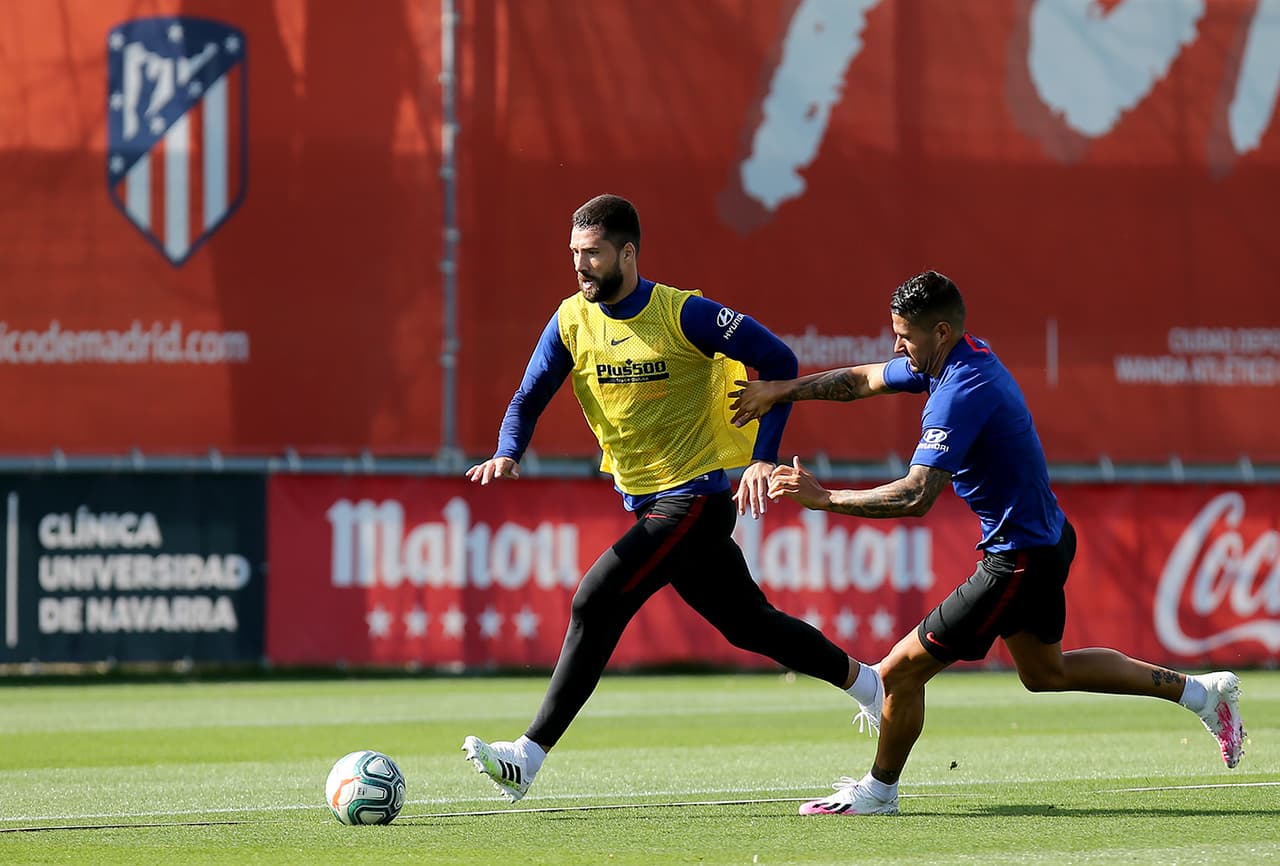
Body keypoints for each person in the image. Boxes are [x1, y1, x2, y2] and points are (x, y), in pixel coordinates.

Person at [729, 269, 1247, 817]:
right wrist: (783, 390)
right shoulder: (957, 356)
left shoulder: (960, 390)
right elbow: (862, 380)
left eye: (905, 335)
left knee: (897, 673)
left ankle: (878, 793)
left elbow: (916, 496)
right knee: (1046, 673)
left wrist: (825, 498)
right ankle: (1200, 693)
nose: (896, 345)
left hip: (1018, 558)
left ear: (942, 331)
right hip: (1045, 539)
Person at [460, 194, 882, 803]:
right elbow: (529, 395)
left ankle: (526, 757)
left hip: (693, 501)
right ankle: (872, 687)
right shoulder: (571, 319)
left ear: (627, 254)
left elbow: (779, 361)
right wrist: (509, 450)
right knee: (750, 625)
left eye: (593, 254)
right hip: (649, 503)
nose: (580, 267)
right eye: (574, 254)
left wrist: (762, 456)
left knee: (594, 600)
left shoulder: (684, 314)